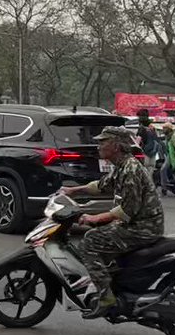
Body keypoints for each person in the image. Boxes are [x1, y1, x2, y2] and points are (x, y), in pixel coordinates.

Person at [59, 127, 164, 318]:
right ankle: (112, 281)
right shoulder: (122, 166)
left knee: (90, 241)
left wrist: (94, 218)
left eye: (103, 142)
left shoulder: (130, 169)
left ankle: (106, 297)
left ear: (115, 146)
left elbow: (127, 210)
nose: (99, 146)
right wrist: (73, 191)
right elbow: (102, 185)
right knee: (100, 233)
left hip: (142, 227)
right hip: (137, 224)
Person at [158, 122, 175, 197]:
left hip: (173, 156)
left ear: (169, 129)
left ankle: (164, 186)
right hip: (168, 154)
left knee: (162, 169)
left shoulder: (174, 136)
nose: (163, 130)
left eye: (164, 128)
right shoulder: (168, 136)